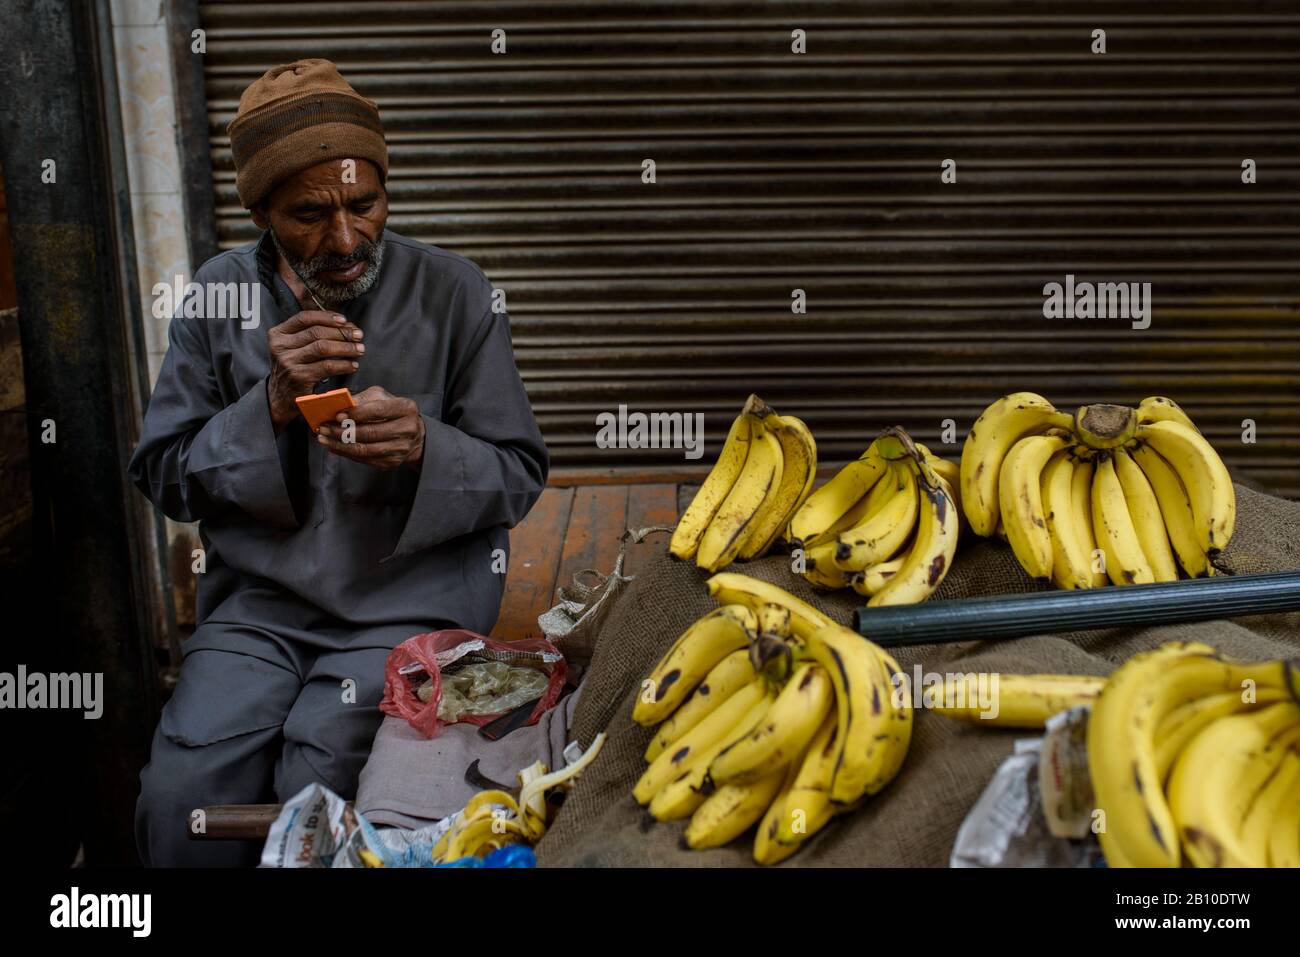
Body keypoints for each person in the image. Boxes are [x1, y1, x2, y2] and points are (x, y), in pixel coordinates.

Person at [128, 59, 548, 866]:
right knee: (181, 793)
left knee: (313, 773)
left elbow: (519, 472)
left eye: (366, 204)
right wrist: (268, 406)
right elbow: (165, 474)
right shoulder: (217, 298)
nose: (347, 237)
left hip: (406, 599)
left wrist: (430, 444)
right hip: (260, 609)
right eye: (310, 214)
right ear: (259, 212)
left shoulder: (457, 292)